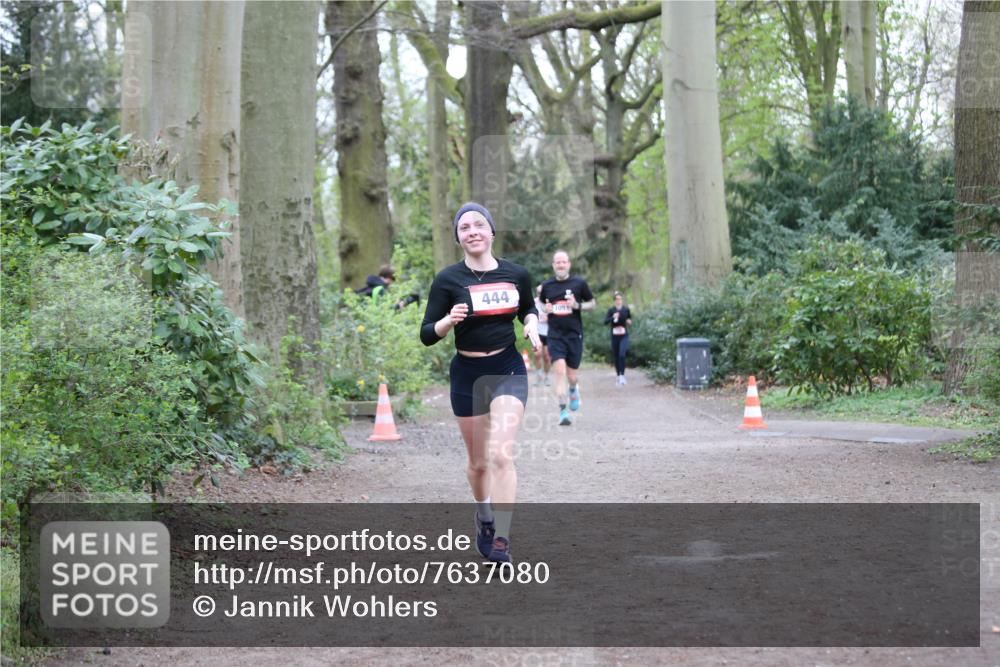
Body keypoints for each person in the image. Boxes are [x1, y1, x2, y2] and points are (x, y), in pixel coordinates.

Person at [420, 203, 540, 564]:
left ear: (491, 231)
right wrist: (447, 321)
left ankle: (502, 537)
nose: (472, 231)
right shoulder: (447, 280)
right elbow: (427, 334)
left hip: (507, 369)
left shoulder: (516, 274)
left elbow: (528, 308)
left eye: (479, 225)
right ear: (458, 237)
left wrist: (531, 324)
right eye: (464, 227)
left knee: (502, 454)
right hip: (467, 375)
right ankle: (484, 517)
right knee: (478, 464)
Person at [539, 250, 595, 426]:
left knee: (571, 376)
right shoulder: (547, 286)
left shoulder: (579, 283)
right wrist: (545, 309)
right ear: (553, 265)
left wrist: (577, 305)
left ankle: (573, 389)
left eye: (564, 262)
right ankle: (563, 411)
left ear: (569, 264)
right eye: (557, 262)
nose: (561, 265)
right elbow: (541, 303)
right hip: (555, 336)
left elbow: (593, 304)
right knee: (560, 372)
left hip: (574, 335)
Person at [604, 291, 633, 386]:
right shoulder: (611, 310)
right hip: (615, 336)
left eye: (620, 299)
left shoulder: (626, 310)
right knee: (616, 356)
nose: (618, 301)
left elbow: (629, 320)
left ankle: (622, 376)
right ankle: (618, 376)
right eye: (617, 299)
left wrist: (629, 322)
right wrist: (612, 317)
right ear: (614, 301)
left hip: (624, 335)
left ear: (622, 300)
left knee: (622, 354)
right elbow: (605, 322)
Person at [532, 284, 551, 387]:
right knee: (537, 354)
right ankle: (539, 375)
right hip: (537, 332)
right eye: (538, 292)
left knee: (547, 357)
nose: (540, 294)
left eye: (541, 292)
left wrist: (548, 318)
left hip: (548, 332)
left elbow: (554, 316)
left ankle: (546, 376)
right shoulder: (534, 302)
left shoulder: (549, 303)